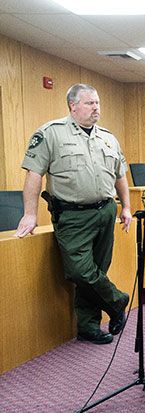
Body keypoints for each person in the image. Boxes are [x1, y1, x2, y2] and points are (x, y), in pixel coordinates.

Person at [14, 83, 132, 345]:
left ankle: (88, 327)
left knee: (98, 269)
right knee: (80, 271)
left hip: (105, 211)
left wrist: (125, 206)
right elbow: (34, 174)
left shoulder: (108, 137)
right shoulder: (50, 134)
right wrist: (30, 214)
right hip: (72, 215)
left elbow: (120, 175)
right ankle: (117, 301)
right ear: (73, 106)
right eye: (90, 103)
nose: (96, 108)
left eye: (98, 103)